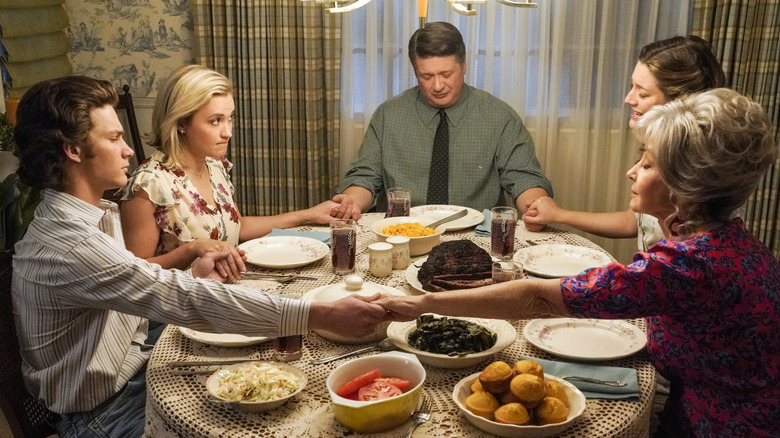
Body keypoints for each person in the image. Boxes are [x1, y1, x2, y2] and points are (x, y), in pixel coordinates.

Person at [378, 88, 780, 437]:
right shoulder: (726, 238)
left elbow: (539, 299)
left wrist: (419, 306)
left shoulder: (687, 265)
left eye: (647, 163)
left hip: (726, 424)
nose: (631, 172)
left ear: (685, 184)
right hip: (699, 404)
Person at [11, 75, 390, 438]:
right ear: (73, 151)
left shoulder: (94, 216)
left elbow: (136, 287)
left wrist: (194, 276)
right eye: (114, 138)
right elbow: (176, 298)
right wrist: (319, 314)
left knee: (269, 375)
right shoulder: (71, 244)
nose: (128, 149)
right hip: (102, 412)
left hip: (139, 363)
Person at [120, 65, 346, 270]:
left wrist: (309, 214)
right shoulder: (148, 185)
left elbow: (238, 226)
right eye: (215, 121)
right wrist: (190, 249)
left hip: (224, 289)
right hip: (180, 306)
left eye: (230, 118)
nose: (228, 132)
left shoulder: (214, 164)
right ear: (180, 124)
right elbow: (136, 272)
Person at [331, 22, 552, 226]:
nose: (437, 86)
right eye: (426, 76)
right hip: (403, 232)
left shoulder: (500, 116)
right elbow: (365, 176)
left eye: (446, 74)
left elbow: (523, 177)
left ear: (464, 65)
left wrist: (535, 205)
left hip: (474, 234)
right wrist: (351, 202)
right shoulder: (388, 115)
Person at [522, 35, 726, 251]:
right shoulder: (660, 147)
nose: (629, 98)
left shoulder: (697, 175)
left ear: (679, 102)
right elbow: (635, 222)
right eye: (632, 86)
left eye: (643, 93)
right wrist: (560, 215)